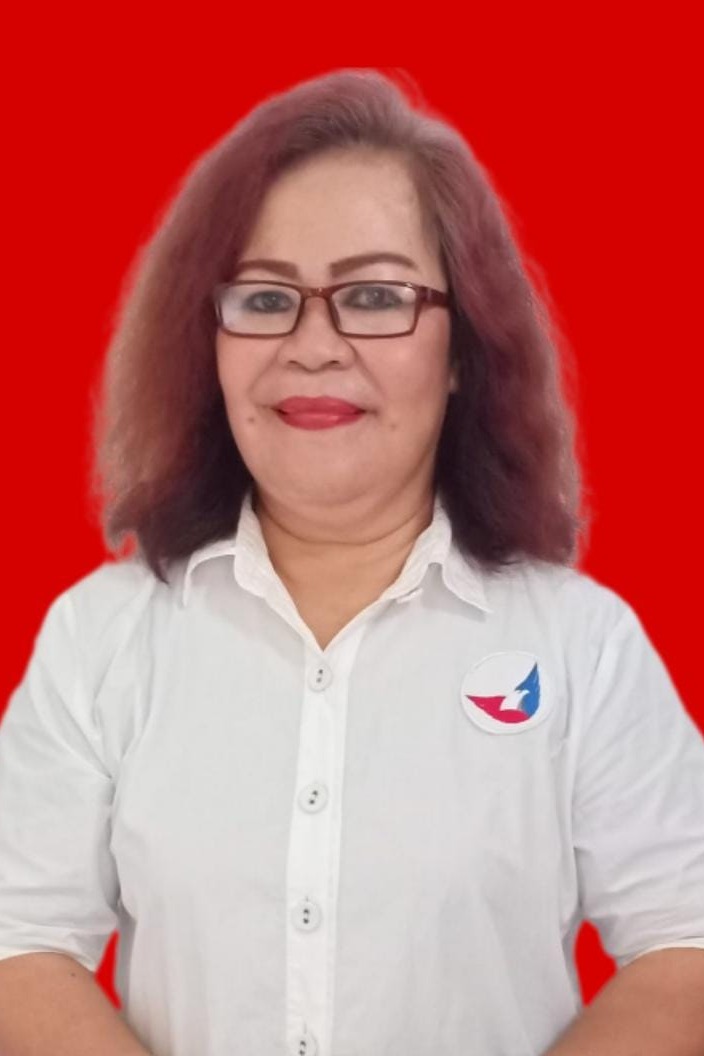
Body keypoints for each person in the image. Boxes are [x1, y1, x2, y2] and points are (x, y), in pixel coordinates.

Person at [0, 68, 703, 1056]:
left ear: (462, 351)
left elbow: (685, 941)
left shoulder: (581, 644)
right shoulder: (102, 636)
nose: (313, 345)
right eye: (264, 298)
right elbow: (19, 942)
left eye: (373, 296)